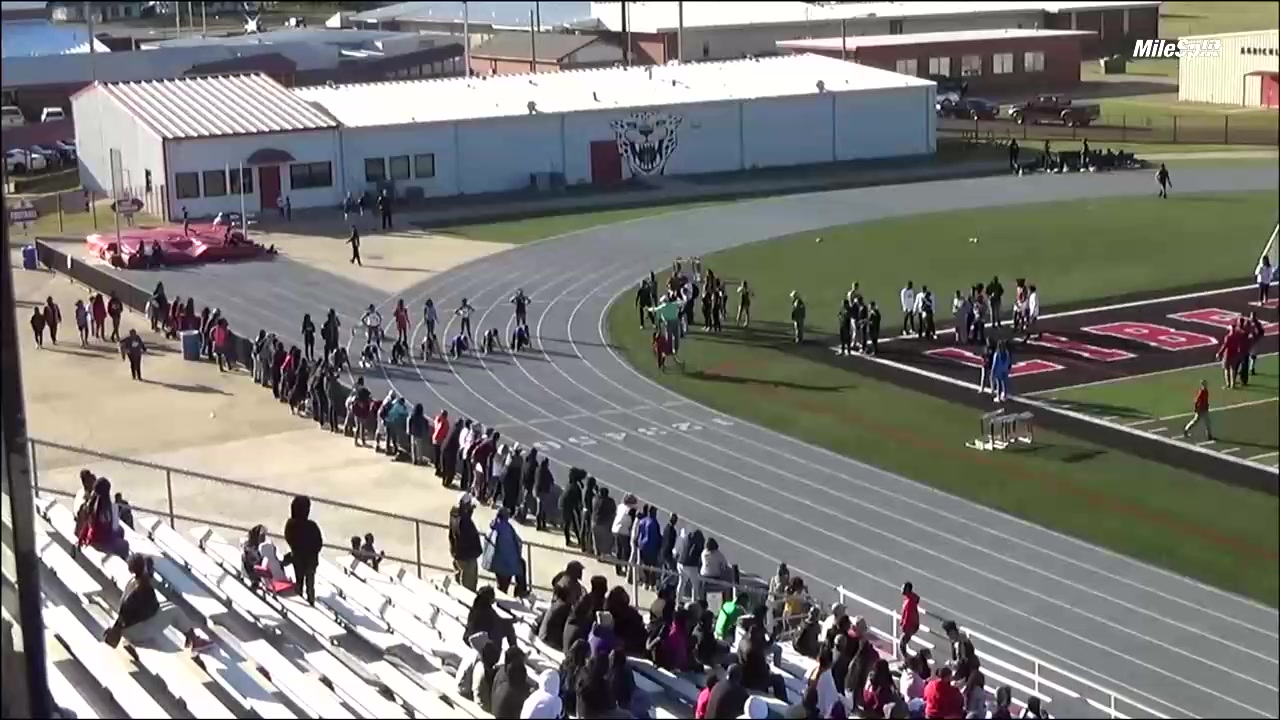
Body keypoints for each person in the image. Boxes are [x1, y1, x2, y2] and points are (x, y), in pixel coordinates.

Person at [102, 554, 212, 651]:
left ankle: (189, 634)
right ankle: (194, 640)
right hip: (136, 632)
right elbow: (153, 610)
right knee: (175, 612)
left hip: (128, 627)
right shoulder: (143, 587)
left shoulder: (133, 582)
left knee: (170, 607)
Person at [283, 495, 323, 605]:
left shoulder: (290, 524)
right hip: (311, 559)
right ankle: (311, 602)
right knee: (310, 584)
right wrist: (311, 551)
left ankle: (300, 603)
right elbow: (319, 543)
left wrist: (296, 549)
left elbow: (289, 538)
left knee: (299, 581)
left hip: (298, 557)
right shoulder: (312, 526)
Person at [76, 478, 129, 558]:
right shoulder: (106, 509)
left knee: (120, 531)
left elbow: (86, 524)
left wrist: (80, 540)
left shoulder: (91, 504)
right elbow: (110, 531)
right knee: (125, 545)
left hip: (91, 538)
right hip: (101, 542)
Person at [485, 508, 524, 594]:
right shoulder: (506, 528)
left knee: (500, 586)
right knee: (504, 587)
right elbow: (512, 545)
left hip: (497, 562)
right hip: (507, 564)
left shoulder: (494, 526)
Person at [900, 581, 921, 659]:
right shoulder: (910, 598)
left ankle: (907, 661)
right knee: (903, 644)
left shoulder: (909, 601)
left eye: (903, 588)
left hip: (909, 626)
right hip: (912, 625)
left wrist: (904, 625)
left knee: (902, 645)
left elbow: (908, 615)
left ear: (907, 589)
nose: (901, 589)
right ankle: (907, 660)